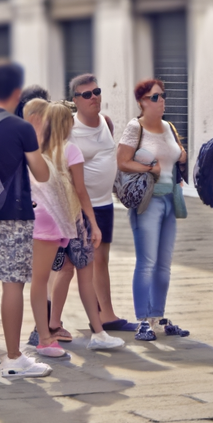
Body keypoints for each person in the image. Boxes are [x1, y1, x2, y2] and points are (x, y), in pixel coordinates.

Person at [0, 60, 52, 378]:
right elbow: (41, 173)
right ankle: (14, 359)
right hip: (13, 215)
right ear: (17, 92)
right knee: (12, 284)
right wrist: (37, 142)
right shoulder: (21, 128)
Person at [26, 99, 123, 358]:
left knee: (48, 276)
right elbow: (81, 191)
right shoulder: (71, 150)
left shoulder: (38, 151)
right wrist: (92, 223)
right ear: (66, 124)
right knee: (84, 275)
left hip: (42, 220)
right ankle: (98, 333)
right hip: (71, 219)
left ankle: (48, 328)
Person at [118, 79, 191, 341]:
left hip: (171, 200)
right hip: (148, 202)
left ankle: (158, 316)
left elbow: (177, 154)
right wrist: (151, 168)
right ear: (142, 102)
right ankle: (142, 320)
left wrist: (180, 155)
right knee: (146, 262)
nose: (161, 101)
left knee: (164, 264)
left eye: (162, 96)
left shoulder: (169, 127)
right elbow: (122, 162)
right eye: (155, 97)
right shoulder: (134, 127)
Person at [64, 74, 135, 334]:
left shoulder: (106, 122)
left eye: (97, 91)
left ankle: (107, 315)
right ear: (75, 100)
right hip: (80, 206)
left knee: (101, 260)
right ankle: (51, 322)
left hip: (105, 203)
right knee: (69, 265)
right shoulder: (68, 129)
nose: (94, 97)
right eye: (86, 94)